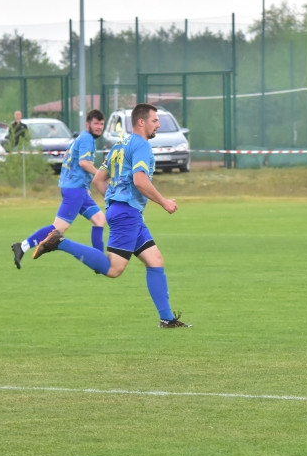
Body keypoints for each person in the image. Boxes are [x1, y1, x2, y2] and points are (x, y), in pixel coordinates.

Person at [32, 103, 191, 328]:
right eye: (155, 120)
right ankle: (59, 242)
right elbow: (140, 180)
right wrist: (164, 202)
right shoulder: (141, 146)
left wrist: (115, 200)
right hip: (127, 214)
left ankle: (167, 319)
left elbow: (98, 179)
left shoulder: (119, 145)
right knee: (113, 269)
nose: (158, 124)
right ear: (141, 122)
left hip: (126, 212)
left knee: (155, 260)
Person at [11, 110, 107, 269]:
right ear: (87, 124)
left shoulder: (80, 138)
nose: (99, 127)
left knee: (99, 220)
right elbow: (84, 163)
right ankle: (22, 246)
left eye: (101, 124)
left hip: (78, 189)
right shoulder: (87, 139)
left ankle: (98, 260)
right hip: (75, 190)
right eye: (96, 123)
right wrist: (100, 175)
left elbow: (67, 158)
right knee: (58, 229)